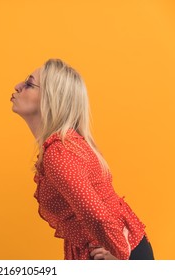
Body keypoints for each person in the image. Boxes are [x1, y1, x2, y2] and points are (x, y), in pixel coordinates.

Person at [10, 58, 154, 260]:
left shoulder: (60, 152)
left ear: (51, 99)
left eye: (29, 84)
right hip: (112, 247)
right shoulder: (66, 144)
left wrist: (121, 258)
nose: (18, 86)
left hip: (114, 251)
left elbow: (96, 214)